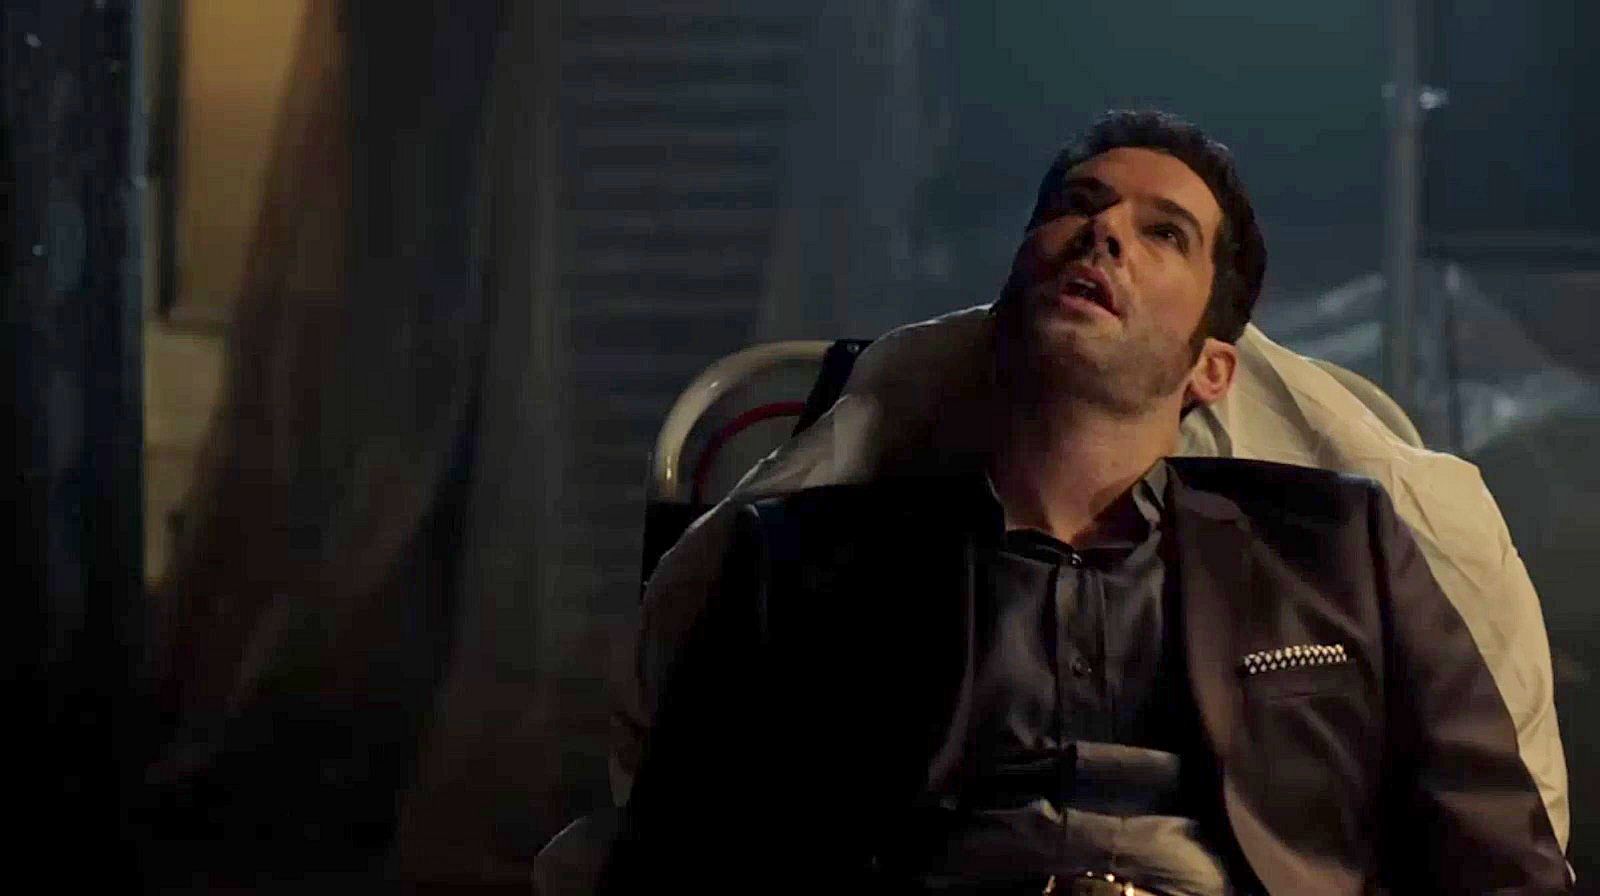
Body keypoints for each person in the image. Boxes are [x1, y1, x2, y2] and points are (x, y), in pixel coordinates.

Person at [598, 111, 1572, 894]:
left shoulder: (1340, 546)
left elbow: (1499, 854)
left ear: (1211, 369)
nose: (1104, 233)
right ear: (1003, 305)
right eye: (1079, 206)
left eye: (1164, 233)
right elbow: (674, 864)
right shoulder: (801, 561)